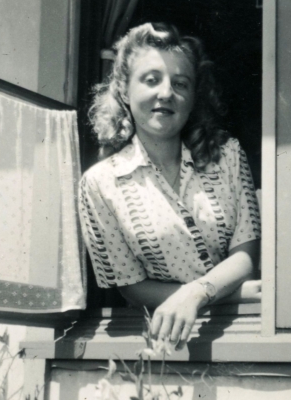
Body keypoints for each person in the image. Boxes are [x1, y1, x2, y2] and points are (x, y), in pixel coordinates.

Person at [79, 22, 261, 350]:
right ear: (123, 88)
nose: (166, 93)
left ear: (193, 97)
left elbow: (246, 254)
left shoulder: (228, 154)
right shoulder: (100, 184)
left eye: (180, 83)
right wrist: (224, 292)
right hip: (161, 340)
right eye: (151, 80)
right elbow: (130, 287)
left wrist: (196, 293)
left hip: (242, 329)